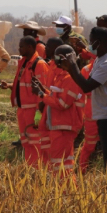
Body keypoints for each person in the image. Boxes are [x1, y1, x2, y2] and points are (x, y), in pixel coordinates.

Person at [63, 27, 107, 184]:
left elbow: (87, 86)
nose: (89, 44)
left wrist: (73, 66)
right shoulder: (101, 59)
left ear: (99, 43)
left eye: (91, 41)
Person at [33, 44, 84, 177]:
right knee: (56, 164)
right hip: (57, 126)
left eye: (56, 57)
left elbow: (63, 104)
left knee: (62, 165)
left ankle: (67, 192)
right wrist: (43, 91)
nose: (53, 60)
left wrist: (41, 95)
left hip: (64, 128)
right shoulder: (61, 76)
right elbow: (56, 97)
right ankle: (60, 191)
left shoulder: (70, 78)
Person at [1, 36, 48, 167]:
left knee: (36, 142)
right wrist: (10, 85)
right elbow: (22, 84)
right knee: (26, 142)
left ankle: (39, 170)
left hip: (32, 111)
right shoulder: (23, 63)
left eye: (21, 46)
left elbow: (43, 90)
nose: (19, 48)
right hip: (22, 110)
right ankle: (30, 168)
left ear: (30, 47)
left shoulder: (39, 65)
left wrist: (39, 112)